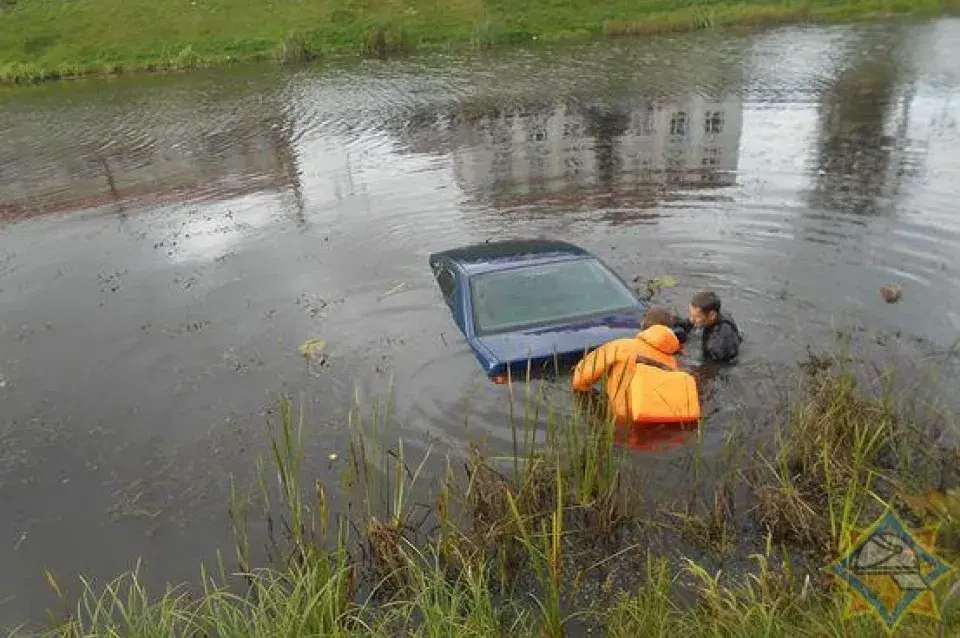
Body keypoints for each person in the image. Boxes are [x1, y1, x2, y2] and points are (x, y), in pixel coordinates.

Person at [570, 321, 700, 427]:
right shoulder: (674, 366)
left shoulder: (620, 346)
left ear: (644, 329)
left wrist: (591, 396)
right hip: (653, 424)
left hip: (618, 420)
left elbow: (580, 379)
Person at [676, 290, 743, 364]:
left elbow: (712, 369)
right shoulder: (717, 314)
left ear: (712, 315)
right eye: (691, 315)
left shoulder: (717, 344)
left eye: (696, 317)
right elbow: (685, 324)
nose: (691, 320)